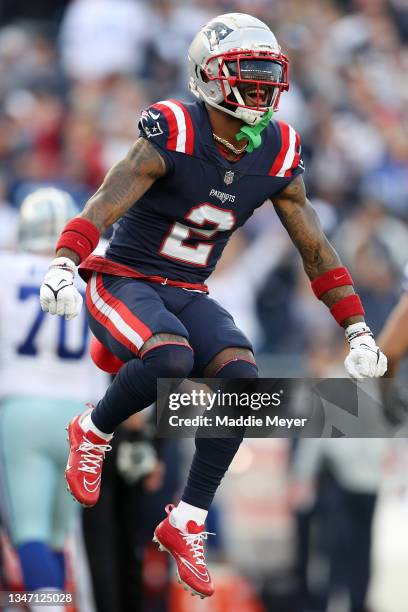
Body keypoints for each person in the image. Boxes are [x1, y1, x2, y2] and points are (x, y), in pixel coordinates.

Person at [39, 13, 387, 599]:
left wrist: (356, 327)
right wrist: (65, 260)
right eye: (245, 73)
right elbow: (107, 199)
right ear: (207, 75)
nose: (259, 87)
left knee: (242, 380)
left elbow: (314, 246)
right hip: (123, 277)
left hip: (188, 289)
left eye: (267, 74)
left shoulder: (277, 148)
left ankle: (188, 519)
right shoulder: (175, 126)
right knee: (171, 358)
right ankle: (92, 428)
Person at [0, 188, 108, 607]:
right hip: (84, 414)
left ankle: (47, 606)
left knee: (29, 529)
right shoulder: (97, 271)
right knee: (62, 534)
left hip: (23, 407)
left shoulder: (8, 269)